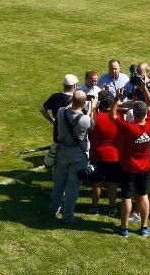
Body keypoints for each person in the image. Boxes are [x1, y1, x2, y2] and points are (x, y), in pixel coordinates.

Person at [112, 82, 150, 237]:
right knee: (143, 195)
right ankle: (144, 227)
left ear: (134, 114)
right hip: (144, 167)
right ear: (145, 114)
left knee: (126, 196)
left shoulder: (129, 127)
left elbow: (113, 114)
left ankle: (124, 228)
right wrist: (144, 87)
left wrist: (117, 99)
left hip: (128, 167)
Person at [49, 90, 97, 224]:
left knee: (58, 183)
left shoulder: (61, 112)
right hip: (78, 156)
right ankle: (68, 216)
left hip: (62, 153)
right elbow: (93, 125)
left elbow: (69, 107)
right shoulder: (85, 120)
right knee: (72, 188)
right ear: (83, 103)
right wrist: (92, 107)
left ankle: (53, 210)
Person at [87, 90, 121, 216]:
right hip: (114, 156)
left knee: (97, 183)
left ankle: (94, 206)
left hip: (97, 155)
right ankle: (112, 207)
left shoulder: (95, 117)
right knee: (112, 184)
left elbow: (90, 122)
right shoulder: (118, 116)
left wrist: (93, 106)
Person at [40, 74, 79, 142]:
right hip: (73, 133)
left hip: (58, 132)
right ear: (74, 85)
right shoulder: (77, 99)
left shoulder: (54, 96)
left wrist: (51, 119)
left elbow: (42, 109)